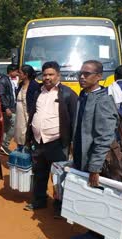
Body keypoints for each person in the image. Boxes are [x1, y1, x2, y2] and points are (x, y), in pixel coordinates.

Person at [71, 60, 119, 239]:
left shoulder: (103, 100)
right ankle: (93, 234)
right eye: (80, 73)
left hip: (96, 162)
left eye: (87, 74)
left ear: (99, 77)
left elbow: (105, 137)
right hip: (82, 158)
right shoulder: (84, 95)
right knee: (89, 199)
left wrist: (95, 168)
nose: (82, 77)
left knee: (103, 202)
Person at [24, 61, 78, 215]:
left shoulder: (68, 94)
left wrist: (72, 142)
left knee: (59, 176)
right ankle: (39, 201)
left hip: (57, 143)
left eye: (51, 74)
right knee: (39, 173)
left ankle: (59, 205)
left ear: (58, 75)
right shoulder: (37, 93)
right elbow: (33, 114)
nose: (47, 77)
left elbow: (74, 119)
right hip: (38, 141)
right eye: (45, 74)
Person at [14, 65, 40, 148]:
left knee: (28, 135)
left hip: (28, 114)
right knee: (20, 136)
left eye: (20, 73)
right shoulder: (20, 85)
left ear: (26, 75)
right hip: (20, 116)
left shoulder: (34, 86)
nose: (18, 74)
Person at [0, 64, 18, 155]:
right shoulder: (2, 81)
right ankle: (5, 144)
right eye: (16, 71)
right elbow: (1, 95)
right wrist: (6, 108)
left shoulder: (9, 80)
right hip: (7, 108)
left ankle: (2, 145)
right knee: (14, 125)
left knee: (7, 127)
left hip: (11, 106)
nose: (17, 73)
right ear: (11, 71)